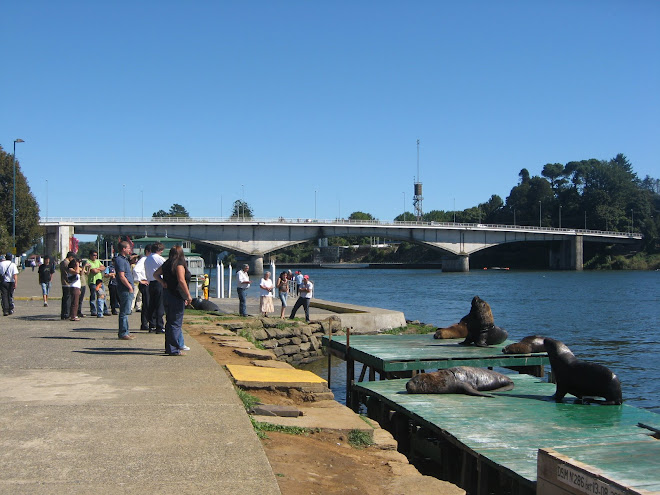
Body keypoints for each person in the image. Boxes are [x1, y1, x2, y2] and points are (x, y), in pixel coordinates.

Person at [153, 245, 192, 356]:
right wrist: (188, 295)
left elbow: (155, 274)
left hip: (167, 295)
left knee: (170, 322)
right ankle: (173, 349)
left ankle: (169, 347)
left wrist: (162, 282)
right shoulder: (179, 264)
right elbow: (181, 280)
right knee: (175, 323)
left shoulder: (166, 263)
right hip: (177, 295)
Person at [114, 241, 135, 340]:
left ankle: (126, 331)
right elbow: (121, 276)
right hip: (125, 289)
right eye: (128, 248)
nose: (130, 250)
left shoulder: (124, 259)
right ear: (123, 249)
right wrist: (129, 287)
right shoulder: (120, 260)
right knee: (124, 312)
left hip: (127, 288)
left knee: (126, 311)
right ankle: (123, 333)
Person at [144, 242, 166, 333]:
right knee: (159, 305)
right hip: (158, 282)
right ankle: (159, 326)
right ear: (159, 250)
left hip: (150, 282)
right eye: (161, 250)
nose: (162, 252)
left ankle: (151, 324)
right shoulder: (159, 259)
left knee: (152, 304)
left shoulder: (147, 259)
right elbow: (166, 268)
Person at [132, 246, 151, 329]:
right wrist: (140, 280)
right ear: (147, 251)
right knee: (146, 303)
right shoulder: (143, 260)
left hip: (148, 283)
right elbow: (136, 270)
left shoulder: (149, 260)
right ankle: (144, 323)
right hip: (145, 283)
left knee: (148, 303)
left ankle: (146, 322)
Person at [87, 250, 106, 316]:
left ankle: (104, 310)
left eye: (96, 255)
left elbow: (104, 267)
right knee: (93, 296)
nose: (95, 256)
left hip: (99, 281)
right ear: (90, 255)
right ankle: (93, 311)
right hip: (93, 281)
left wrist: (98, 268)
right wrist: (99, 269)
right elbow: (93, 271)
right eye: (94, 255)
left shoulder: (98, 261)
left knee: (102, 295)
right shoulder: (88, 262)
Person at [59, 251, 76, 320]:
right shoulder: (66, 263)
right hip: (67, 282)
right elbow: (70, 271)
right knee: (67, 299)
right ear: (70, 257)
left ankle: (64, 313)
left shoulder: (62, 262)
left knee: (65, 298)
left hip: (64, 282)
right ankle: (66, 313)